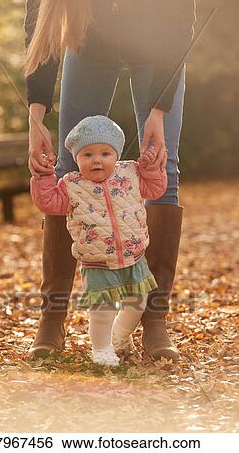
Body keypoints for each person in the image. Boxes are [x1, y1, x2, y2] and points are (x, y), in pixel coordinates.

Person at [24, 0, 196, 361]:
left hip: (156, 49)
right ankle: (52, 318)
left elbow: (181, 25)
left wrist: (158, 111)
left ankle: (154, 319)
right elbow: (43, 27)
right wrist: (36, 117)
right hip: (90, 43)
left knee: (160, 163)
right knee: (69, 166)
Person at [30, 115, 167, 366]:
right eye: (87, 154)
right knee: (102, 311)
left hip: (134, 257)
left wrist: (150, 167)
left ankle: (120, 336)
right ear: (76, 159)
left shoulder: (131, 174)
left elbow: (156, 189)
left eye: (105, 153)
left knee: (137, 304)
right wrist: (43, 177)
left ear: (116, 156)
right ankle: (101, 349)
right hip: (97, 261)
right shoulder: (71, 186)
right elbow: (47, 202)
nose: (97, 160)